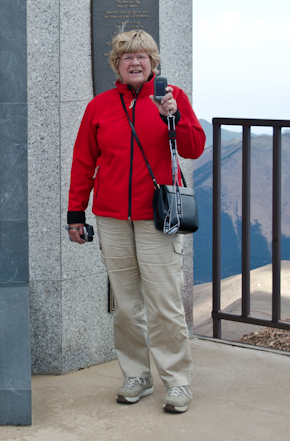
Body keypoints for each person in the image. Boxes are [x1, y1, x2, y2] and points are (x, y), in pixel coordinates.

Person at [66, 29, 205, 413]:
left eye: (143, 56)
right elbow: (83, 162)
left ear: (154, 63)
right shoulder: (99, 106)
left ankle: (177, 381)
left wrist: (173, 117)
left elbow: (193, 148)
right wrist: (75, 213)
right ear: (117, 64)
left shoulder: (171, 99)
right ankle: (137, 375)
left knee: (164, 302)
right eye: (127, 57)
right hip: (111, 218)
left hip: (156, 218)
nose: (135, 62)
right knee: (126, 305)